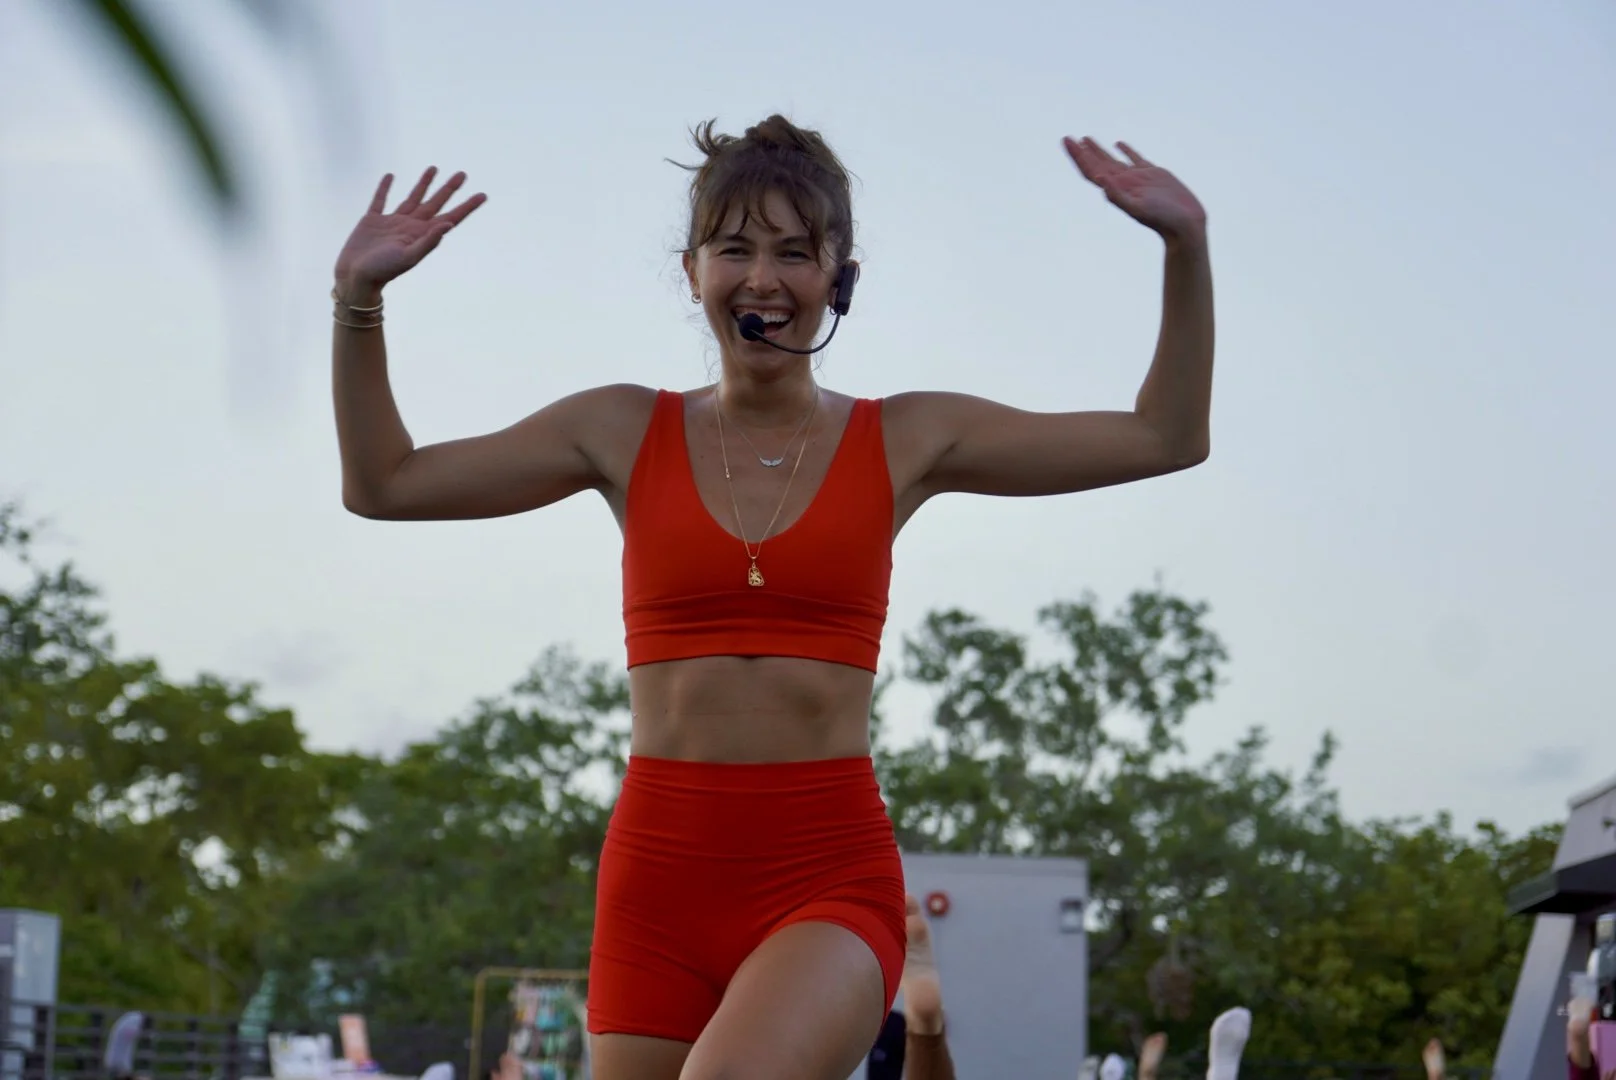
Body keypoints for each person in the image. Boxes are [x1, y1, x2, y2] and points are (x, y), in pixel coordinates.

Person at [328, 114, 1213, 1080]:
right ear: (692, 269)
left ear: (839, 275)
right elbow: (386, 484)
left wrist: (1184, 246)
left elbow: (1163, 435)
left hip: (822, 871)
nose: (763, 278)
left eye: (795, 252)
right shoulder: (617, 429)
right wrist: (357, 300)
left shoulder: (909, 438)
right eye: (735, 248)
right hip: (655, 882)